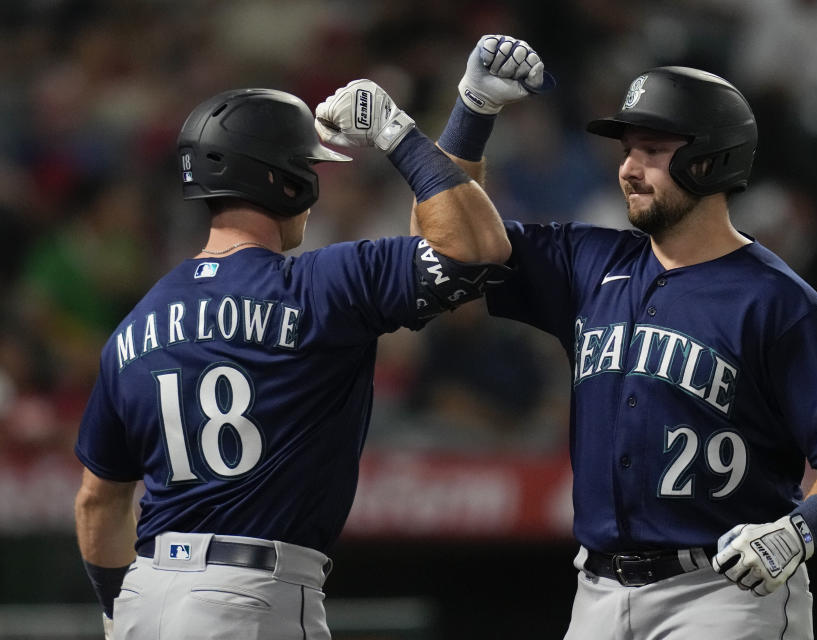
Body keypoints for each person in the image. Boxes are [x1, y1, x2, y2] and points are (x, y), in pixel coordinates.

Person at [432, 36, 817, 639]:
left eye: (652, 150)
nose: (628, 167)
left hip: (725, 592)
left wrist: (799, 530)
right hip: (595, 592)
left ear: (710, 160)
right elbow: (446, 244)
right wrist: (472, 111)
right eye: (629, 150)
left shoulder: (778, 301)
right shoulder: (587, 262)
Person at [72, 61, 549, 639]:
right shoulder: (322, 285)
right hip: (249, 596)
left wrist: (114, 609)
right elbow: (473, 248)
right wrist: (398, 132)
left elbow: (99, 503)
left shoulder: (133, 327)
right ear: (286, 180)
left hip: (145, 594)